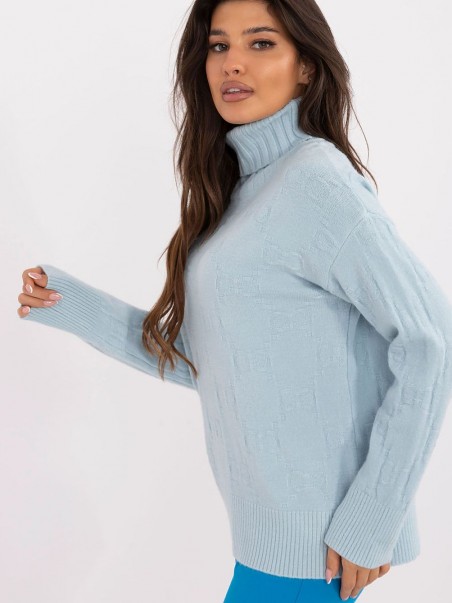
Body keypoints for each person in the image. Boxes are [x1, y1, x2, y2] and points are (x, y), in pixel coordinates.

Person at [17, 0, 452, 601]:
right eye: (219, 46)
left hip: (319, 553)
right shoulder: (244, 194)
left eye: (261, 43)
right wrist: (65, 302)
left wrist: (371, 521)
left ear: (306, 66)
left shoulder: (317, 182)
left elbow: (431, 339)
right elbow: (210, 362)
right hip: (274, 548)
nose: (232, 63)